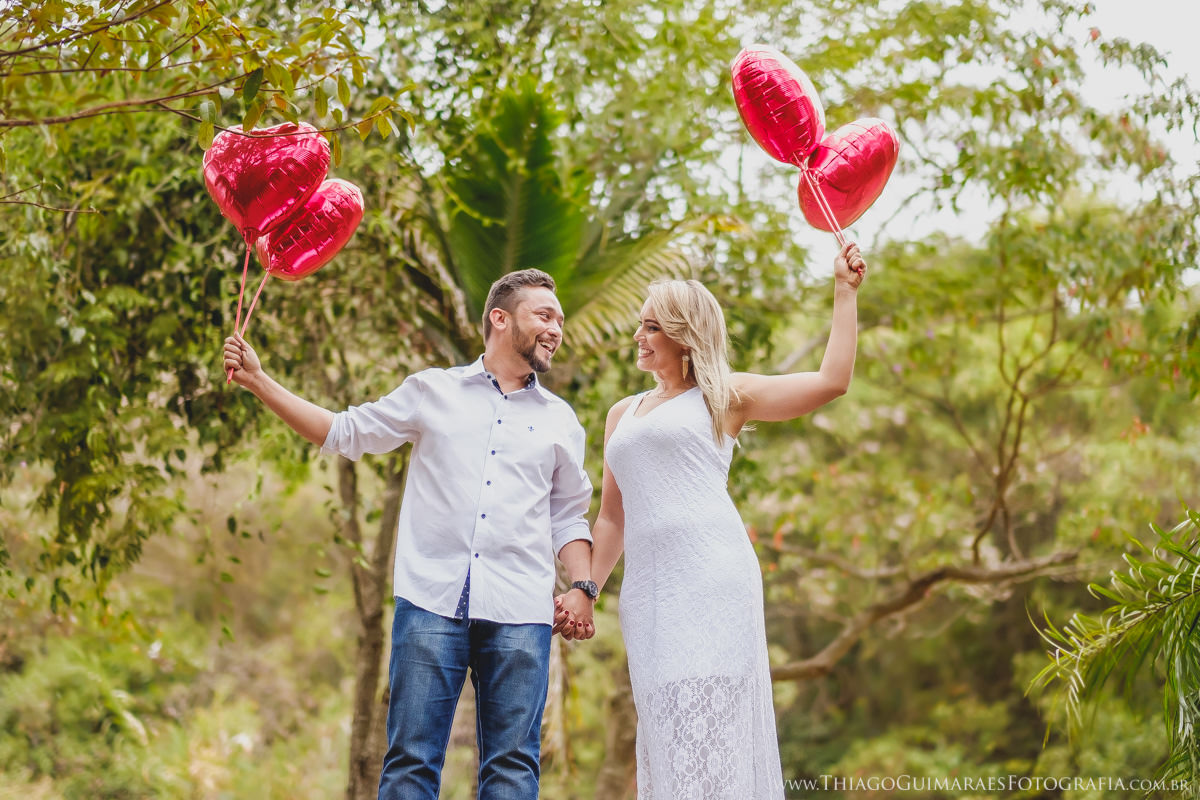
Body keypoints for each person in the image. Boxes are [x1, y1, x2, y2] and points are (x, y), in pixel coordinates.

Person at [223, 268, 599, 800]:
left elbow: (569, 517)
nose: (556, 328)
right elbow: (342, 432)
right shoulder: (432, 391)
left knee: (514, 768)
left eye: (559, 319)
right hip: (431, 602)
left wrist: (582, 589)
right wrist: (260, 381)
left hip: (521, 610)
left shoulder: (562, 421)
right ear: (500, 317)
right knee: (410, 763)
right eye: (545, 315)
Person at [584, 241, 868, 798]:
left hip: (713, 578)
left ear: (683, 332)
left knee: (709, 717)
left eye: (651, 327)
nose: (638, 337)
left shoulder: (726, 395)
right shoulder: (623, 412)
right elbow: (612, 519)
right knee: (666, 723)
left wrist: (844, 291)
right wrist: (585, 589)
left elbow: (832, 380)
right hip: (649, 592)